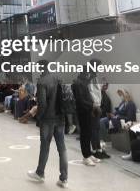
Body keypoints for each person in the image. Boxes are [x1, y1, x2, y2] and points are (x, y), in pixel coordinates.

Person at [27, 60, 68, 188]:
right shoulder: (58, 79)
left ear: (40, 68)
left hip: (48, 120)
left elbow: (43, 104)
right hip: (60, 118)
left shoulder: (42, 81)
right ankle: (64, 178)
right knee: (62, 148)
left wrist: (38, 116)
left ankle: (40, 173)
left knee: (45, 146)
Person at [72, 70, 100, 166]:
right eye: (87, 73)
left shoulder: (83, 83)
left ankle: (89, 153)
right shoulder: (77, 83)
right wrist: (92, 105)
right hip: (83, 112)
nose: (88, 76)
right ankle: (85, 156)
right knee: (84, 135)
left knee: (89, 133)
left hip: (87, 111)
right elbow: (80, 100)